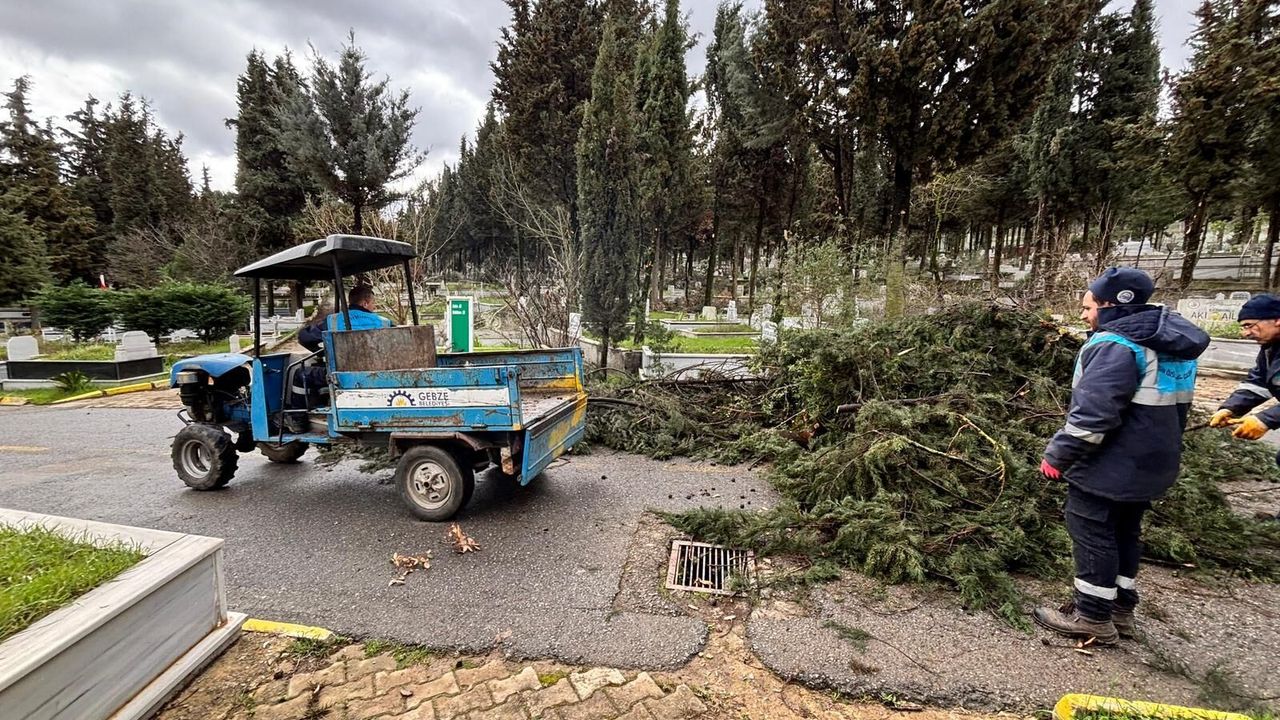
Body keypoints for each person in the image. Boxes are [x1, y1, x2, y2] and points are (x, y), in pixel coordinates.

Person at [1036, 267, 1209, 644]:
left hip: (1112, 461)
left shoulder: (1117, 345)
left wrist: (1059, 455)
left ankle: (1093, 616)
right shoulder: (1172, 342)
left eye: (1088, 307)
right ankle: (1121, 609)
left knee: (1092, 530)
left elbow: (1094, 415)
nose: (1083, 315)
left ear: (1112, 304)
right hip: (1154, 459)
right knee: (1125, 531)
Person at [1207, 294, 1280, 520]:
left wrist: (1265, 419)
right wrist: (1230, 408)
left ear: (1276, 320)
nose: (1245, 333)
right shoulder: (1271, 348)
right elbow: (1258, 382)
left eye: (1250, 326)